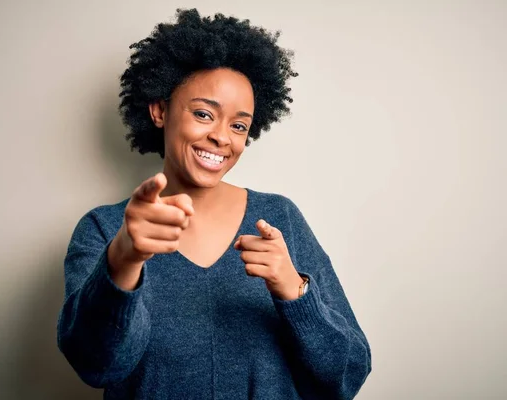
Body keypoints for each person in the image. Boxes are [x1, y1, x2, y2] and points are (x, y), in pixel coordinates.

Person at [57, 8, 371, 399]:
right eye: (204, 113)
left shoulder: (279, 219)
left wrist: (294, 291)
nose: (222, 137)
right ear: (160, 111)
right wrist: (124, 258)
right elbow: (97, 366)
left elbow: (347, 375)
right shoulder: (104, 229)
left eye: (239, 125)